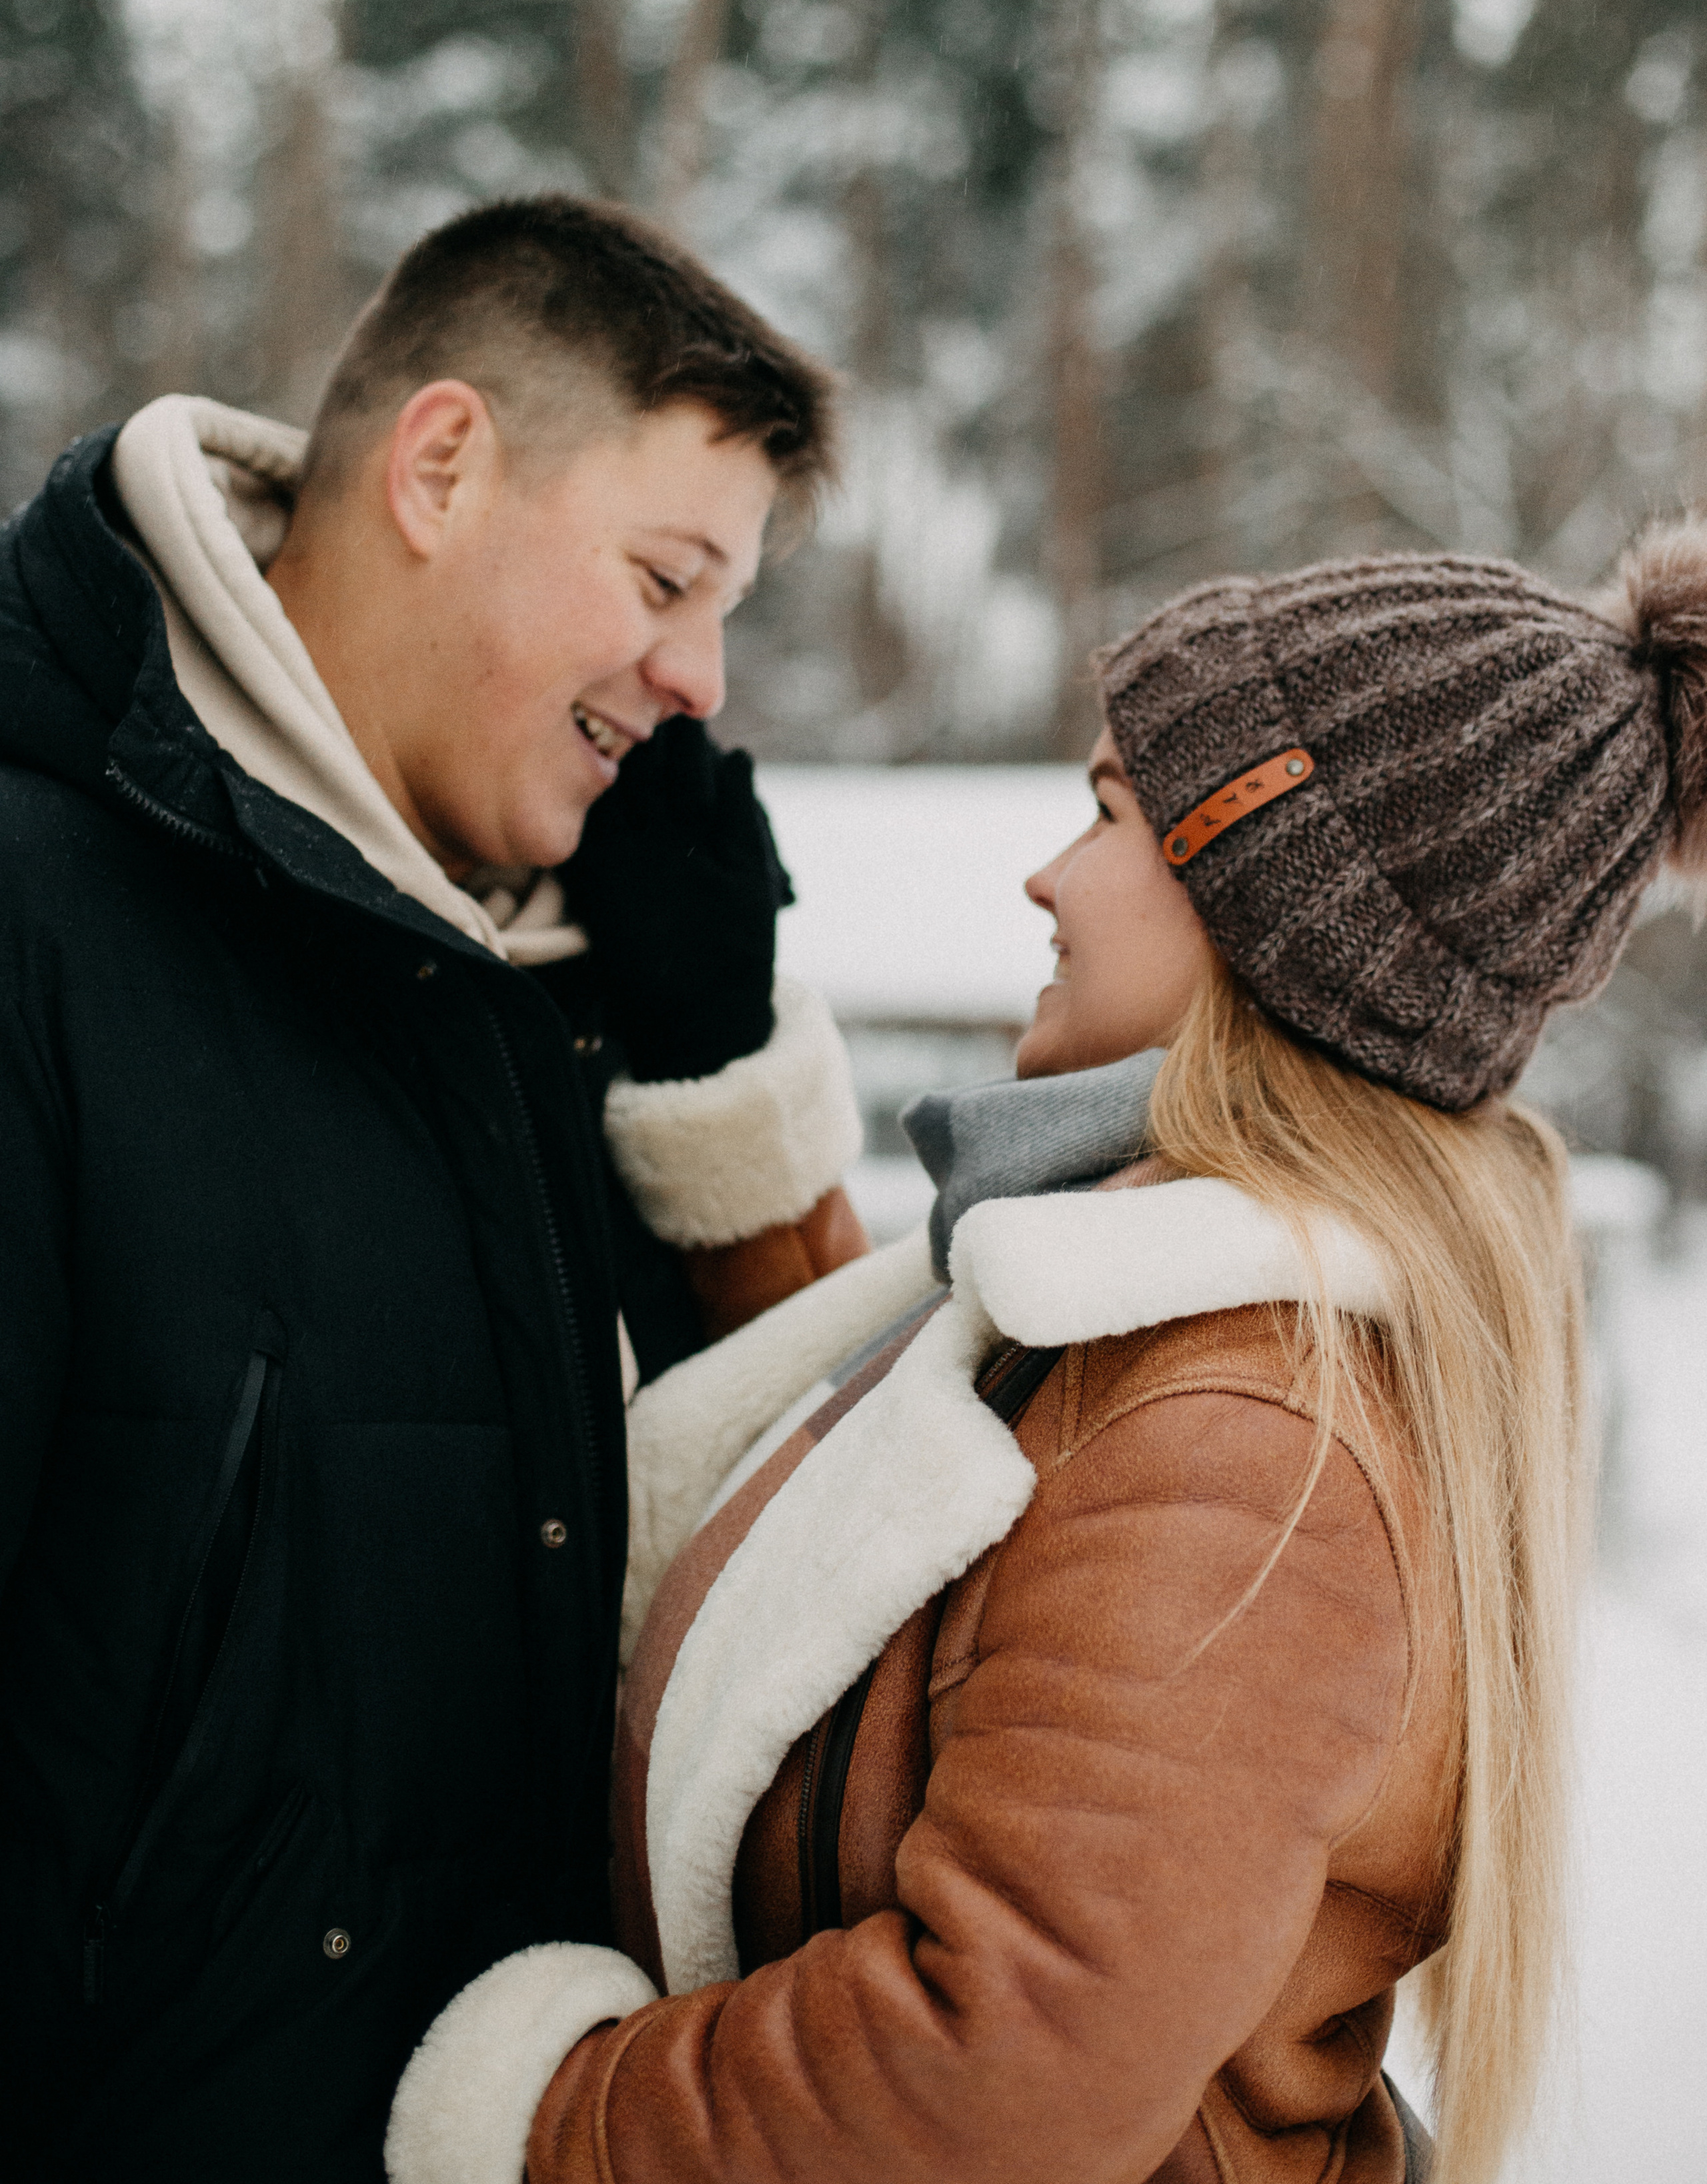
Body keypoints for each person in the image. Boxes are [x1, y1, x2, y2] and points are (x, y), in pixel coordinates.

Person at [391, 523, 1707, 2184]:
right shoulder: (1153, 1304)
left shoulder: (1248, 1442)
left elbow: (991, 2075)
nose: (1043, 875)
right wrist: (719, 1049)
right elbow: (900, 1534)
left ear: (1259, 897)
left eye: (1102, 812)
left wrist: (533, 2117)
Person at [0, 197, 870, 2181]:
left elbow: (807, 1561)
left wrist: (710, 1057)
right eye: (669, 576)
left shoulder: (537, 993)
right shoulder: (34, 921)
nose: (701, 680)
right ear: (445, 463)